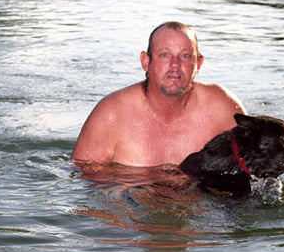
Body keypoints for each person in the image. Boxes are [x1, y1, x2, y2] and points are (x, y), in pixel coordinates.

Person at [72, 21, 245, 168]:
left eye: (185, 56)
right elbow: (81, 179)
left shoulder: (222, 108)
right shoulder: (112, 114)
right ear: (146, 62)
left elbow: (254, 167)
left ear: (198, 64)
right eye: (164, 55)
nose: (175, 64)